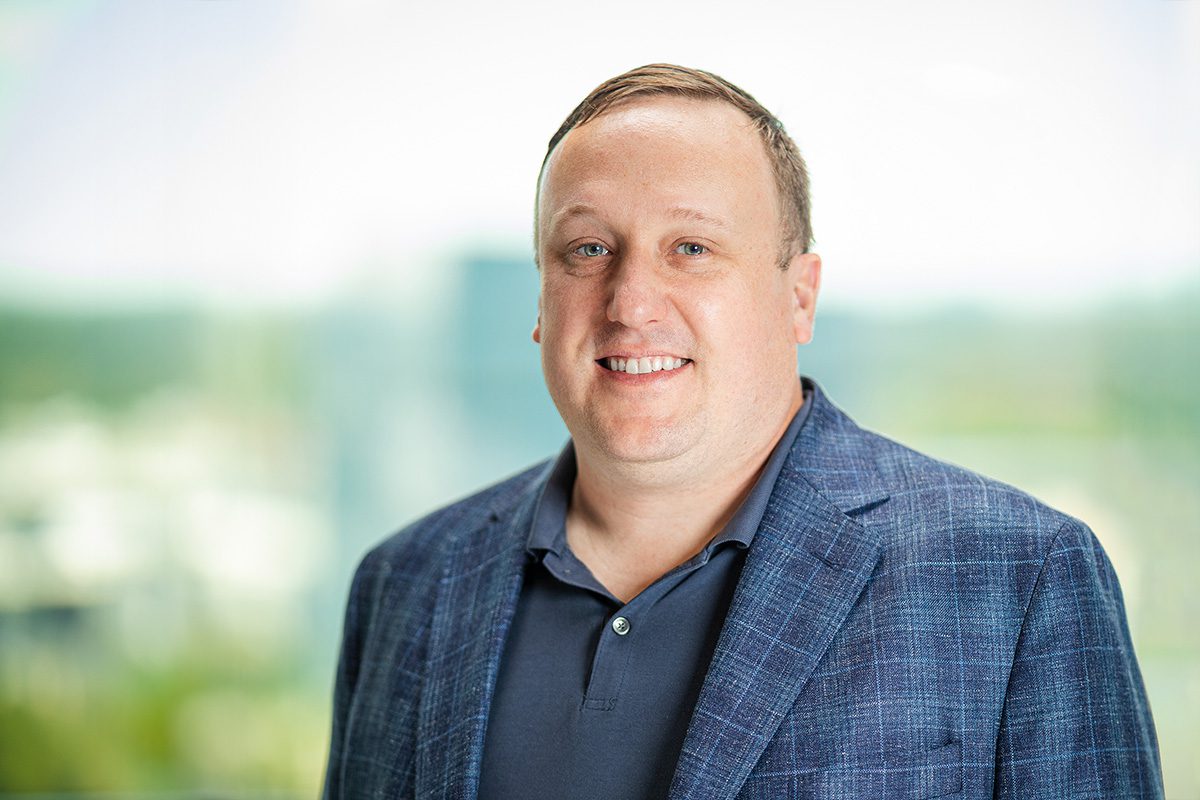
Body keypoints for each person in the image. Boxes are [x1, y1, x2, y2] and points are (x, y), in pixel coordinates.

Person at [321, 64, 1162, 799]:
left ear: (798, 297)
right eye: (586, 250)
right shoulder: (405, 584)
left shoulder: (1016, 576)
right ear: (540, 302)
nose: (630, 303)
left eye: (690, 247)